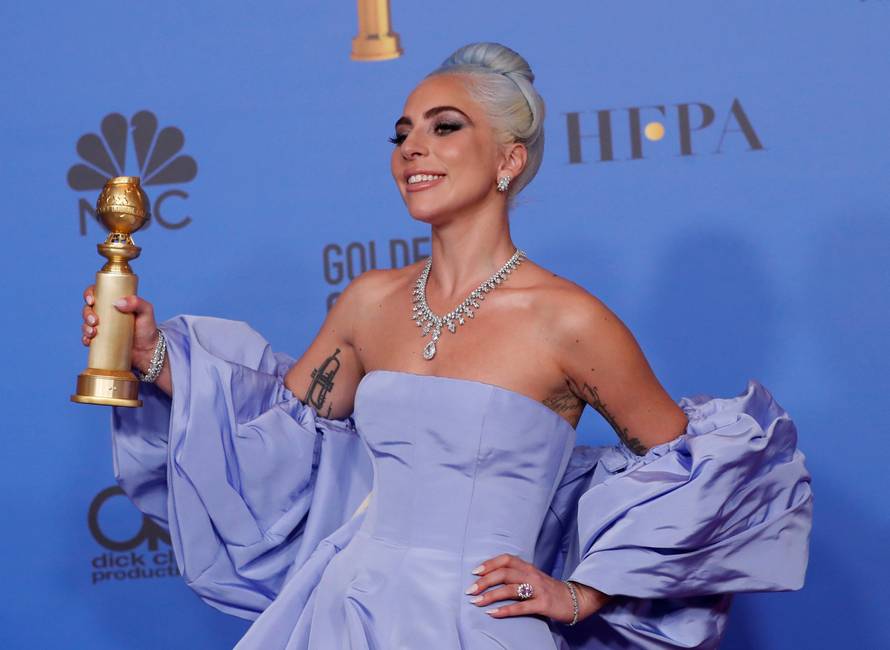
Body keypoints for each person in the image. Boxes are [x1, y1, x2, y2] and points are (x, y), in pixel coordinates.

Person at [80, 42, 813, 649]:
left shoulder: (569, 321)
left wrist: (580, 593)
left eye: (445, 127)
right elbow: (276, 432)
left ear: (509, 161)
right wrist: (153, 357)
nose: (413, 149)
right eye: (402, 133)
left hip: (482, 625)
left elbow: (697, 475)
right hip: (346, 615)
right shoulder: (368, 301)